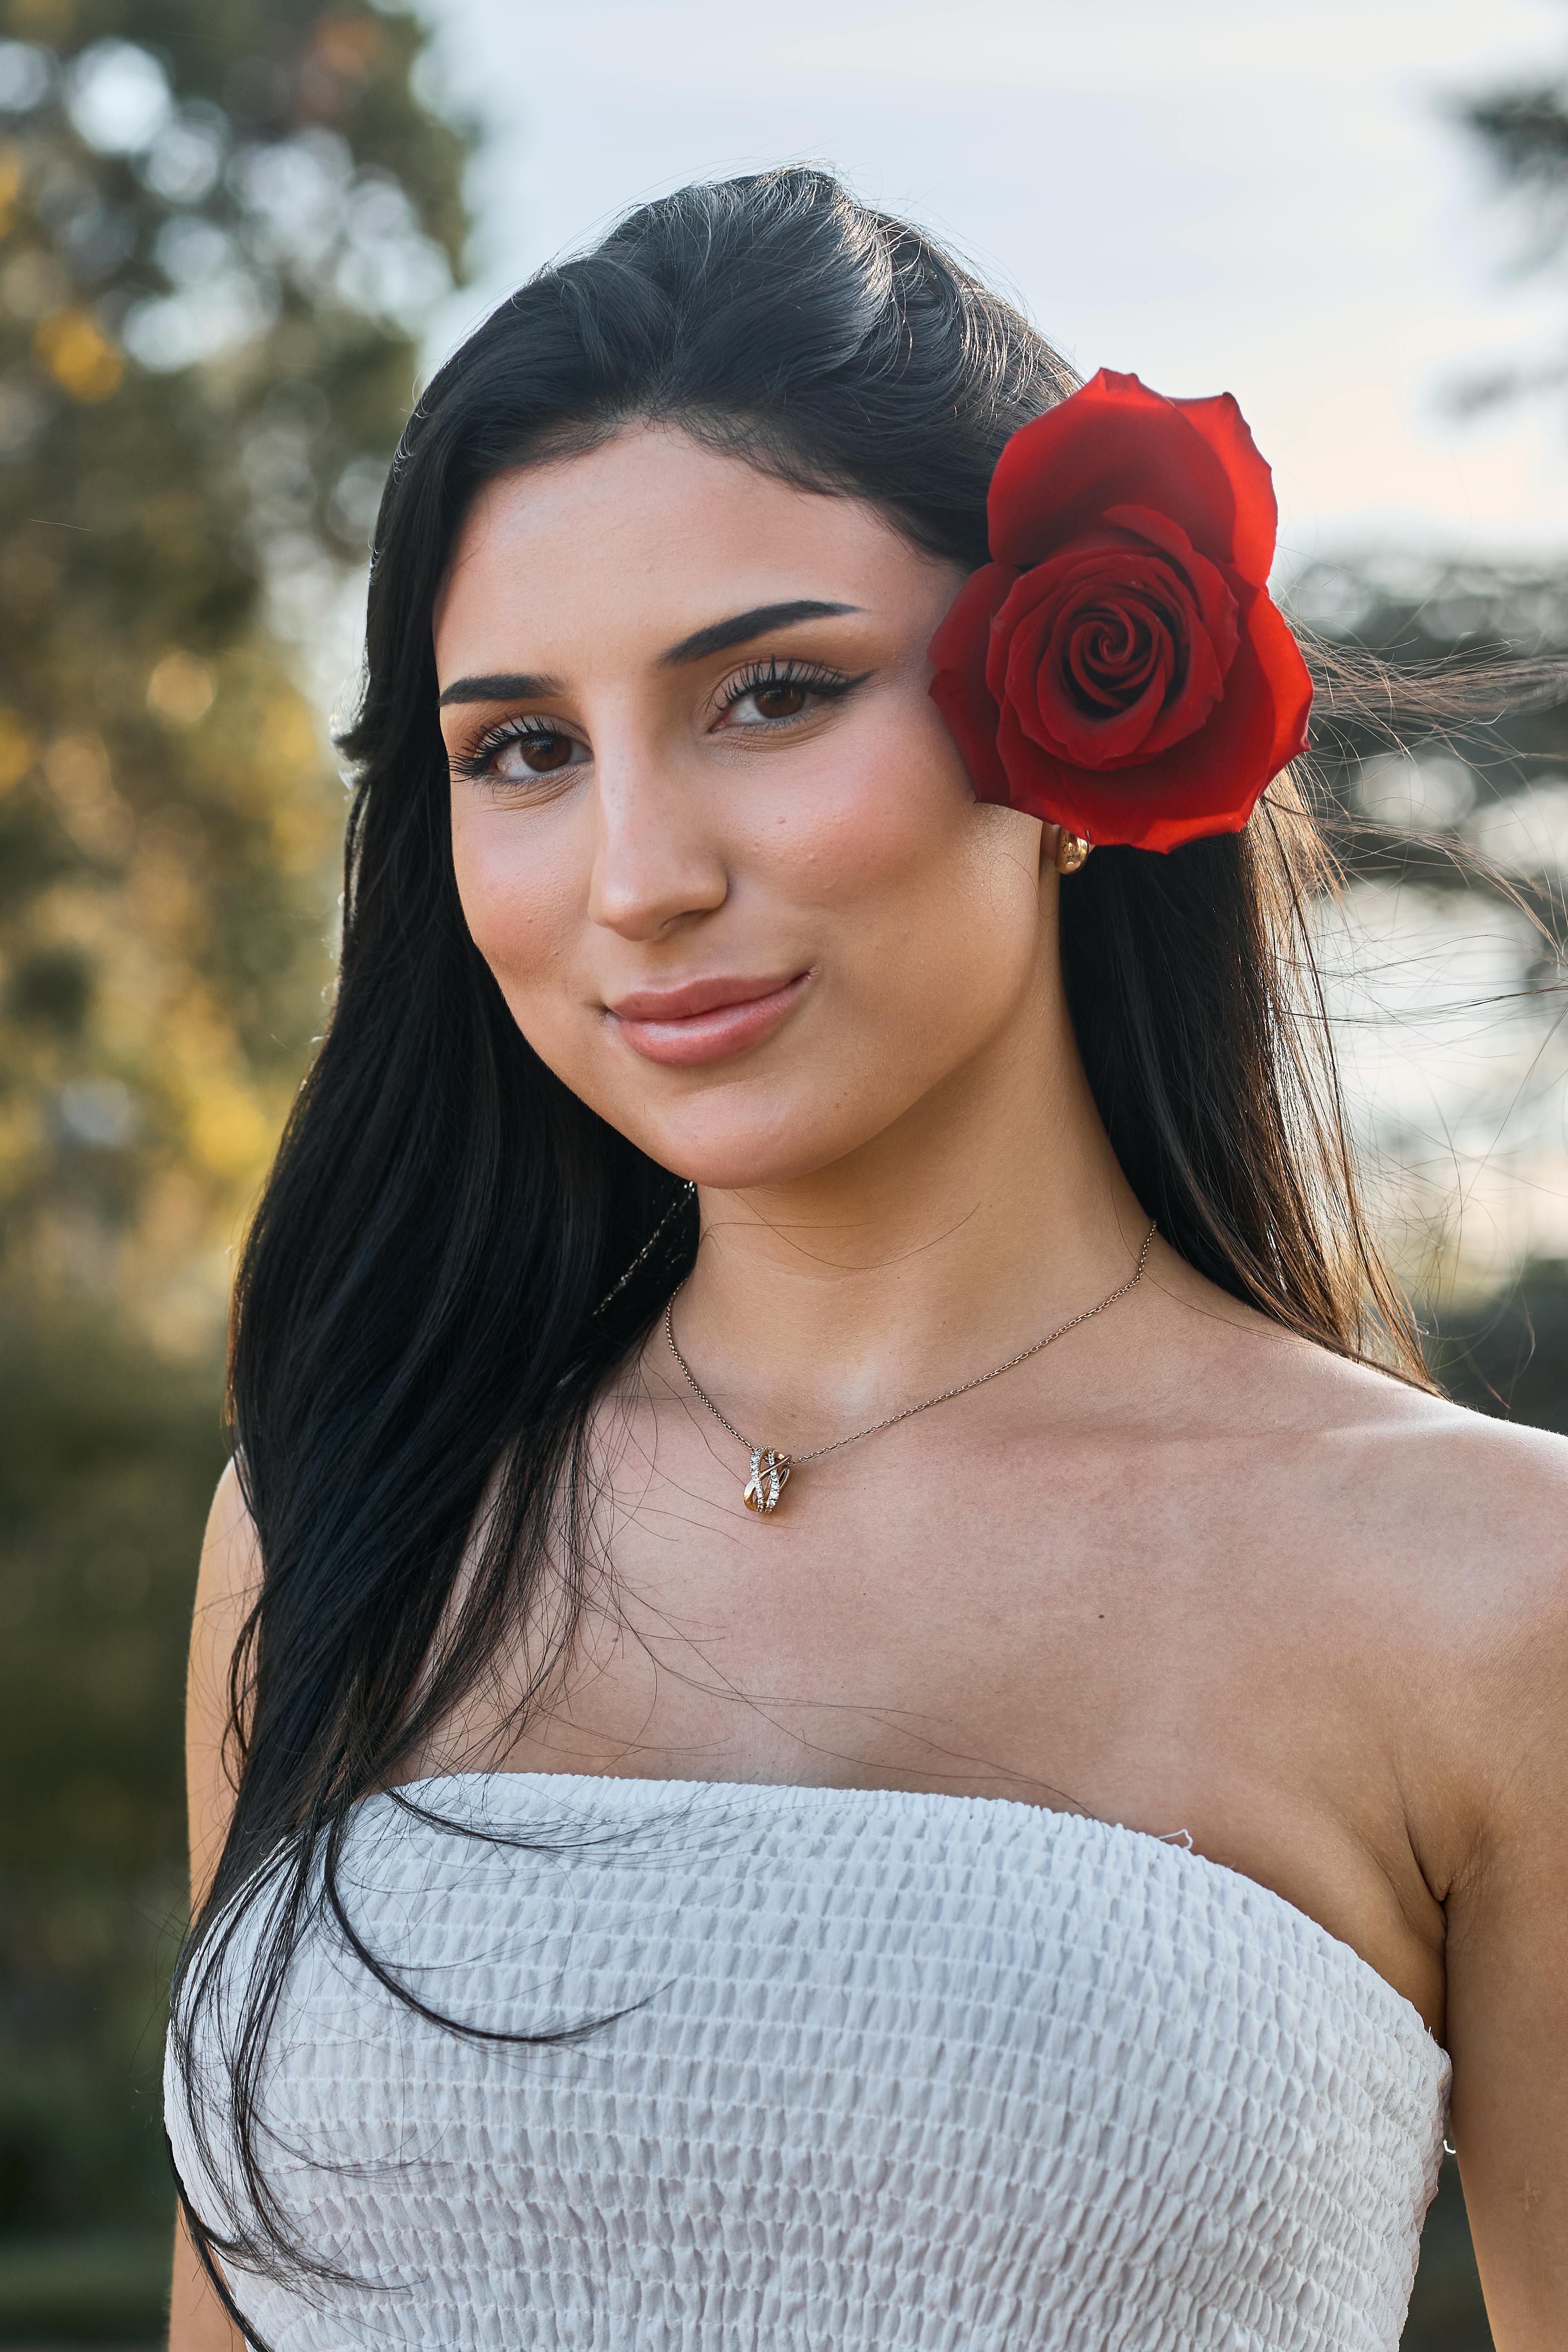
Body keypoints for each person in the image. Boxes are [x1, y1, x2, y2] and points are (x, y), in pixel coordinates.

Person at [165, 167, 1568, 2352]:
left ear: (1080, 724)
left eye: (773, 695)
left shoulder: (1500, 1593)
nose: (635, 877)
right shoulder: (341, 1513)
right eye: (520, 748)